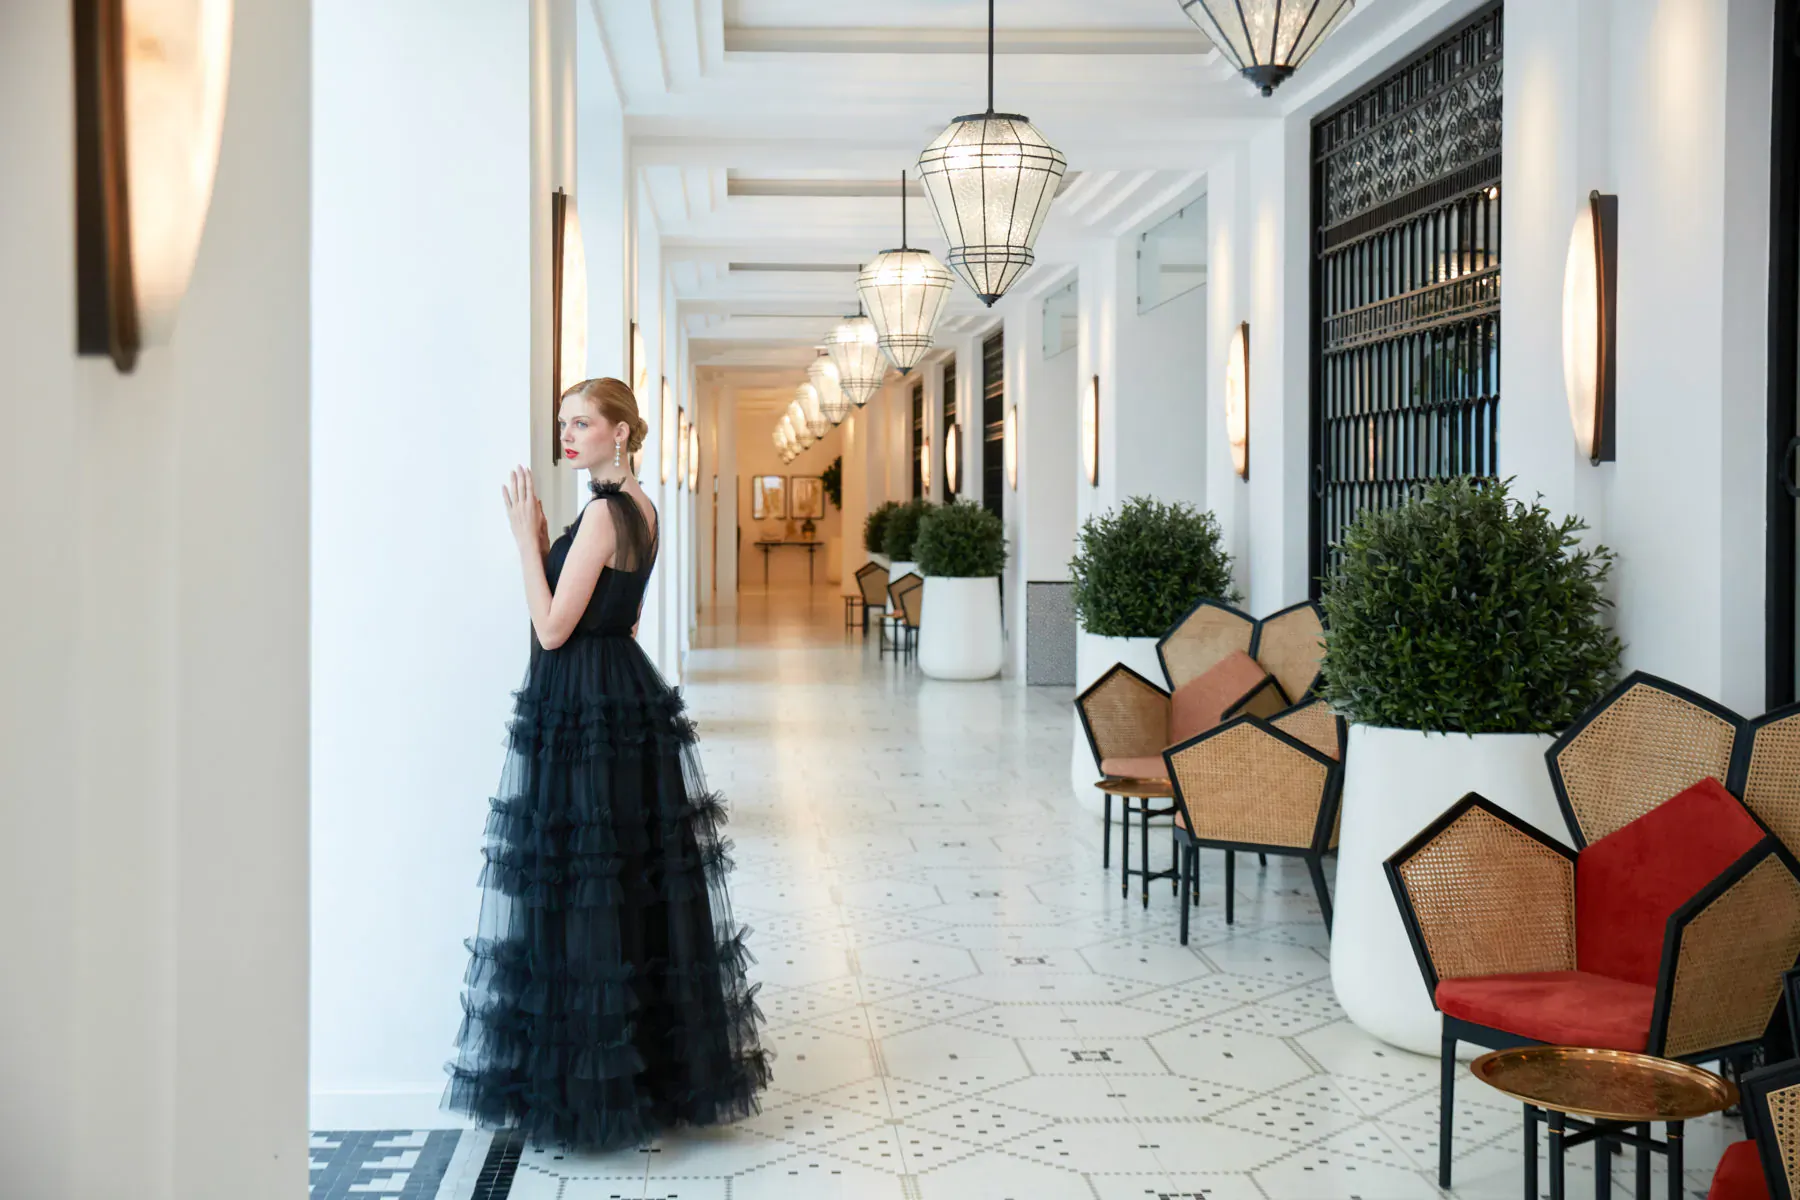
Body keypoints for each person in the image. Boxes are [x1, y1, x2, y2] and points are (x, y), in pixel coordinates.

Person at [443, 377, 770, 1151]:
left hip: (584, 701)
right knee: (623, 883)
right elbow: (618, 611)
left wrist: (527, 541)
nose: (569, 434)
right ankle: (644, 1078)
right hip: (618, 691)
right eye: (565, 423)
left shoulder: (601, 514)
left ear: (621, 432)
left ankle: (591, 1091)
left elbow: (554, 628)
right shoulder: (642, 509)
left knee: (584, 887)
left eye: (583, 423)